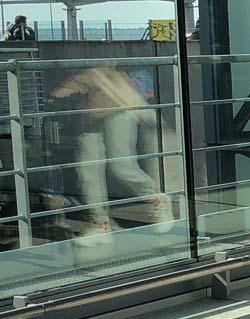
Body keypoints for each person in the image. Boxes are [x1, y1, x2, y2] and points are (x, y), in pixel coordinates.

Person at [52, 65, 174, 240]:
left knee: (121, 166)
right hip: (89, 113)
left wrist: (72, 86)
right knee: (88, 172)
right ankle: (100, 223)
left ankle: (157, 199)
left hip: (117, 106)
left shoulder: (101, 65)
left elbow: (100, 69)